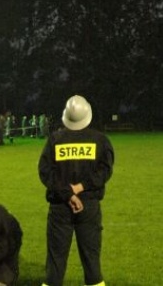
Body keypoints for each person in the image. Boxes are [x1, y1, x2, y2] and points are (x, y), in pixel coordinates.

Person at [38, 95, 114, 286]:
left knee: (55, 263)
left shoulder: (55, 139)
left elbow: (46, 172)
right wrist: (81, 188)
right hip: (89, 206)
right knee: (92, 262)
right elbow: (105, 171)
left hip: (60, 207)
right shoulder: (100, 140)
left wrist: (68, 194)